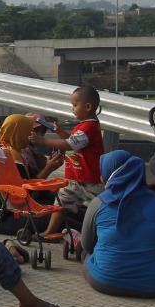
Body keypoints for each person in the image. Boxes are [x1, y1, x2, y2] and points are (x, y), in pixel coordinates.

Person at [80, 150, 155, 298]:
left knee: (86, 255)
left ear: (109, 176)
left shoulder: (98, 203)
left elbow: (87, 245)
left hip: (106, 282)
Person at [35, 85, 105, 240]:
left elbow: (71, 144)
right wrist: (61, 133)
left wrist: (44, 140)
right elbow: (74, 141)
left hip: (90, 180)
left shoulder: (89, 127)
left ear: (87, 107)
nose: (72, 109)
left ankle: (103, 236)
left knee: (100, 209)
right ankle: (49, 231)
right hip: (75, 178)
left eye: (75, 105)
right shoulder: (84, 125)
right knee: (60, 203)